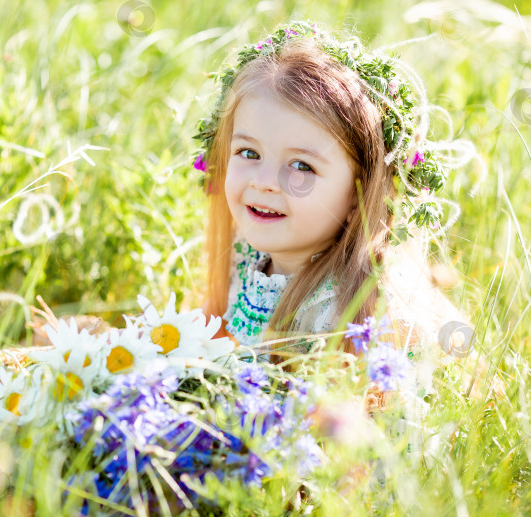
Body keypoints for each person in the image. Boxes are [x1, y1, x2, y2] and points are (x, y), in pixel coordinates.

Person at [193, 20, 473, 365]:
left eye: (302, 166)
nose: (264, 181)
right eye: (249, 153)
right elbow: (202, 339)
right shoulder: (244, 256)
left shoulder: (349, 313)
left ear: (359, 192)